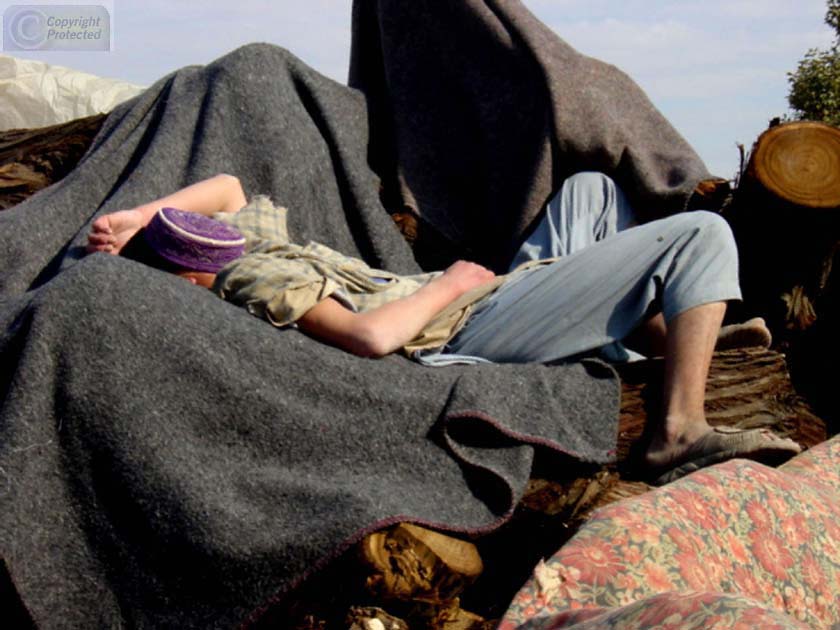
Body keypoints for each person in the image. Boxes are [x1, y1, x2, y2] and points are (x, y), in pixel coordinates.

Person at [87, 172, 801, 484]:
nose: (220, 229)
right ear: (192, 274)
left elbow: (227, 189)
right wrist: (455, 284)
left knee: (592, 190)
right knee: (702, 234)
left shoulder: (240, 239)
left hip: (482, 298)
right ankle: (678, 426)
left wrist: (135, 217)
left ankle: (666, 334)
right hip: (466, 326)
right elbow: (370, 339)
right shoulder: (250, 275)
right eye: (202, 241)